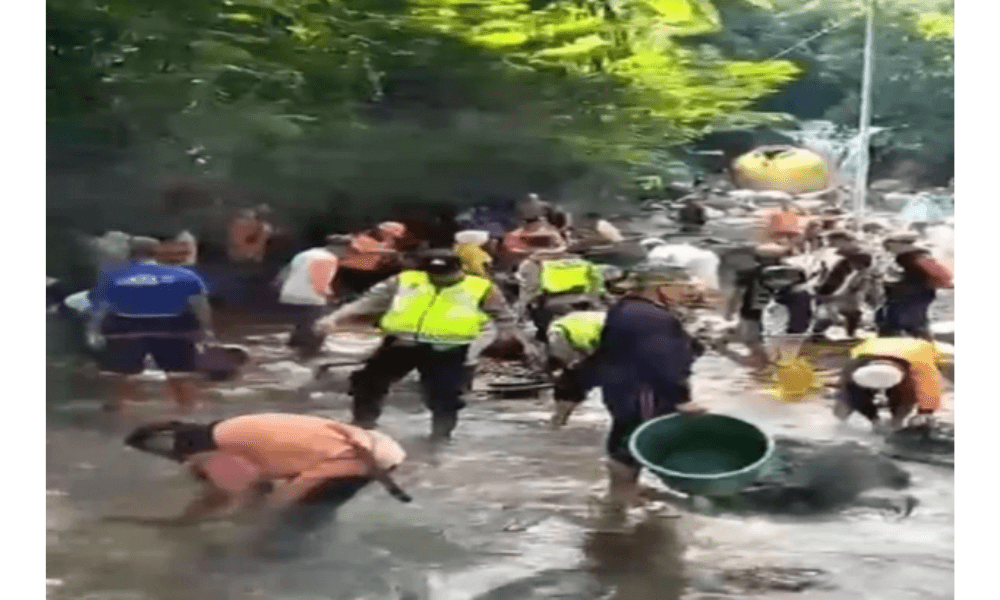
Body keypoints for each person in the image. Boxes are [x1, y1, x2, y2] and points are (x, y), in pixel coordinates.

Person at [316, 250, 529, 440]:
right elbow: (368, 301)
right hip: (402, 343)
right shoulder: (405, 281)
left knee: (444, 395)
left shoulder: (481, 287)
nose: (439, 279)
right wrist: (335, 318)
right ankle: (364, 426)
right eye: (434, 274)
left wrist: (507, 336)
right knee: (368, 382)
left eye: (445, 274)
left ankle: (441, 436)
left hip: (448, 348)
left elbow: (503, 316)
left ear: (459, 269)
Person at [120, 414, 409, 552]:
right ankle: (315, 540)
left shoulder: (215, 451)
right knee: (307, 515)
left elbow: (224, 494)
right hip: (372, 445)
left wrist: (184, 524)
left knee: (284, 528)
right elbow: (253, 485)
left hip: (363, 460)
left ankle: (281, 565)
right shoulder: (229, 429)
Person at [597, 265, 708, 507]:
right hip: (644, 391)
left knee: (625, 434)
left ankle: (621, 494)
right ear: (661, 288)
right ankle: (620, 498)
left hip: (622, 388)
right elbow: (663, 362)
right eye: (681, 288)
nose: (685, 293)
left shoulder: (627, 309)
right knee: (635, 439)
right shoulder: (652, 318)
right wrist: (681, 399)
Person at [86, 237, 214, 413]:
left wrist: (92, 331)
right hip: (173, 329)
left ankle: (113, 417)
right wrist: (206, 330)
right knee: (180, 376)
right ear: (157, 252)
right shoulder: (185, 275)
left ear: (129, 253)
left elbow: (99, 308)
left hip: (125, 329)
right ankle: (189, 414)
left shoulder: (111, 277)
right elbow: (200, 307)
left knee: (120, 377)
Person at [721, 243, 811, 371]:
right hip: (775, 315)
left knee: (753, 341)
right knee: (768, 343)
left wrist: (730, 310)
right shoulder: (792, 272)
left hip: (754, 314)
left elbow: (738, 293)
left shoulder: (749, 273)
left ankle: (765, 366)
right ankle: (769, 366)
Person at [835, 337, 947, 432]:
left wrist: (925, 412)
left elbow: (928, 386)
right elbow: (929, 386)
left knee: (846, 398)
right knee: (847, 398)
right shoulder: (856, 359)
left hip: (882, 364)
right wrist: (926, 411)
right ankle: (895, 424)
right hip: (869, 364)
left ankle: (891, 422)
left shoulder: (920, 358)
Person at [515, 238, 608, 343]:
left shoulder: (533, 264)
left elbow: (528, 293)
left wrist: (522, 315)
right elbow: (597, 290)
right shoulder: (585, 263)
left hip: (550, 307)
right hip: (583, 305)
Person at [278, 235, 352, 359]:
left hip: (289, 294)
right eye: (348, 249)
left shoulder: (305, 254)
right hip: (310, 297)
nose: (348, 252)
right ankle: (310, 355)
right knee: (321, 325)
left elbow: (284, 274)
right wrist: (333, 298)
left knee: (302, 325)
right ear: (341, 247)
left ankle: (291, 350)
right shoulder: (329, 258)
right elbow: (320, 285)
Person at [875, 232, 952, 339]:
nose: (887, 249)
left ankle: (925, 345)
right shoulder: (900, 258)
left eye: (889, 246)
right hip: (898, 297)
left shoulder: (918, 257)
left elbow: (942, 275)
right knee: (888, 320)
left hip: (915, 296)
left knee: (914, 323)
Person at [810, 231, 875, 340]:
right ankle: (818, 332)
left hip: (852, 286)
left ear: (844, 240)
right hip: (835, 286)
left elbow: (865, 269)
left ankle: (850, 333)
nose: (831, 244)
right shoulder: (836, 254)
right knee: (830, 309)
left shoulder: (860, 253)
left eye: (833, 241)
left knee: (852, 310)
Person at [546, 310, 606, 428]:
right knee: (572, 382)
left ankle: (558, 420)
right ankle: (559, 420)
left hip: (567, 324)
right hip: (564, 334)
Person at [338, 222, 408, 295]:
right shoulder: (367, 234)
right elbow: (359, 250)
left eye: (400, 232)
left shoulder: (390, 241)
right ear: (385, 229)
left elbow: (383, 256)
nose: (398, 235)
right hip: (350, 269)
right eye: (396, 231)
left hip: (369, 272)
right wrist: (387, 252)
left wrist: (389, 257)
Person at [501, 208, 567, 267]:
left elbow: (562, 248)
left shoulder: (551, 233)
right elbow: (509, 249)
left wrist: (542, 252)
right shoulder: (515, 234)